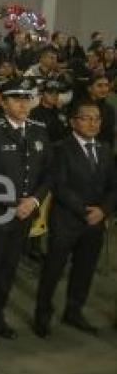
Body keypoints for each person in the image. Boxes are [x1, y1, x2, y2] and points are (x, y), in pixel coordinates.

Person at [0, 77, 52, 341]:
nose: (22, 105)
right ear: (4, 103)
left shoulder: (39, 129)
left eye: (26, 99)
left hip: (26, 212)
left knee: (10, 267)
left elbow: (47, 173)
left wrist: (34, 201)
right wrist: (13, 203)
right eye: (16, 100)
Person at [33, 100, 117, 338]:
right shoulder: (59, 149)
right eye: (87, 117)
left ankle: (74, 311)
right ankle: (42, 315)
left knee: (85, 270)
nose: (93, 123)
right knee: (52, 271)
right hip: (66, 222)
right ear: (73, 122)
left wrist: (103, 211)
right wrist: (84, 211)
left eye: (97, 119)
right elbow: (59, 185)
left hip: (95, 224)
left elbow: (113, 187)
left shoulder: (104, 150)